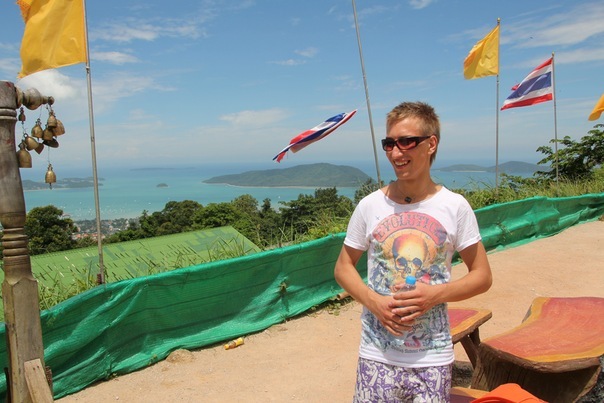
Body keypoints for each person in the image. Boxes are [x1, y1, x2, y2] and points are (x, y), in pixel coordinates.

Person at [334, 101, 492, 402]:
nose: (396, 153)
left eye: (407, 141)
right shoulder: (370, 206)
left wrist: (434, 295)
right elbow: (343, 267)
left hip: (432, 358)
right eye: (389, 143)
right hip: (376, 354)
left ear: (431, 144)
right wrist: (375, 302)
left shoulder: (454, 207)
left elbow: (482, 276)